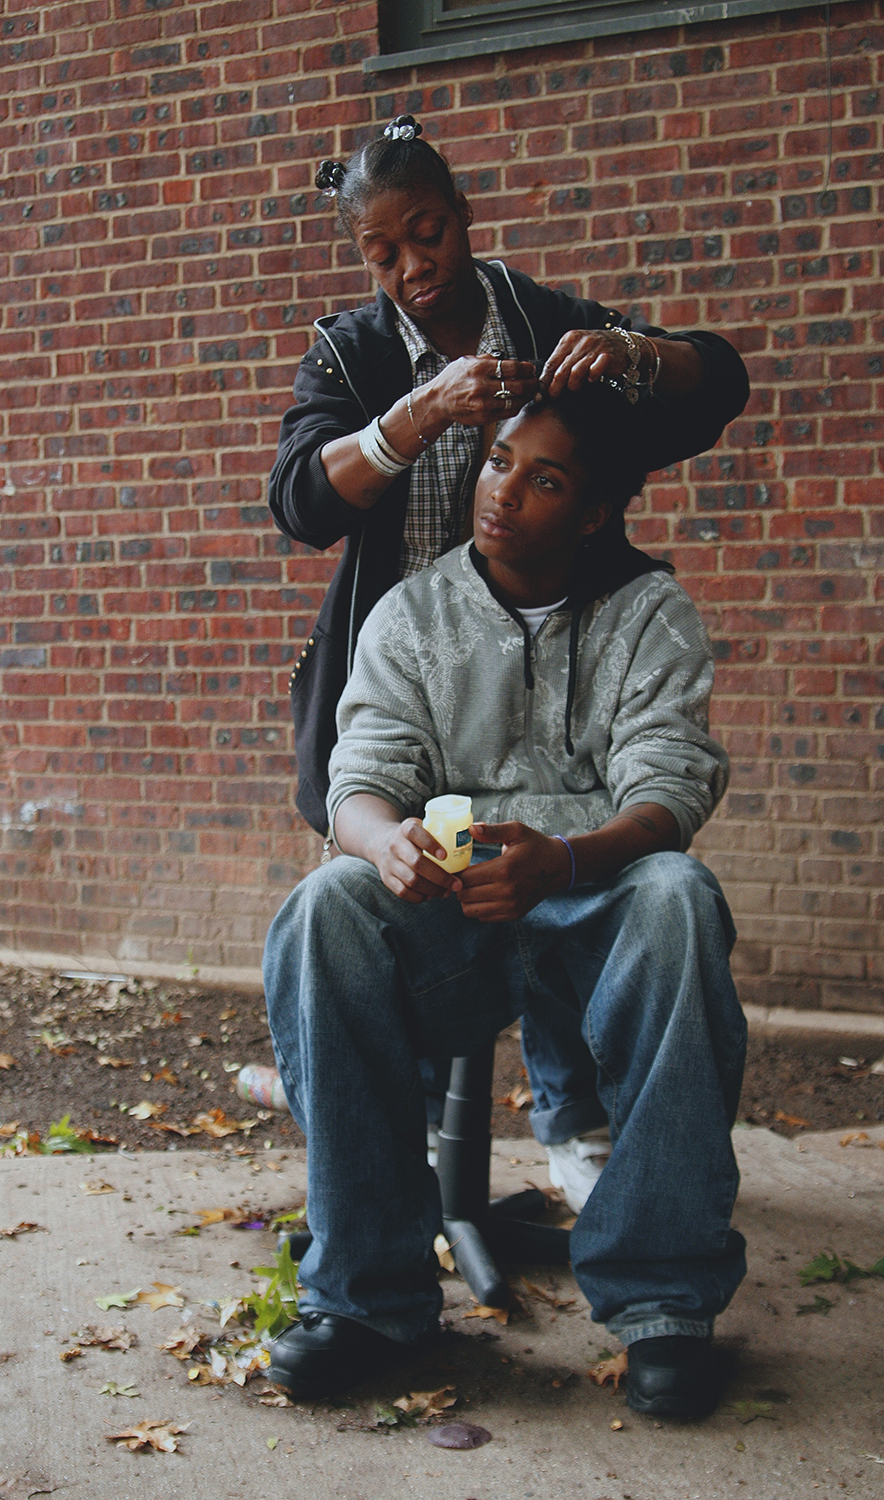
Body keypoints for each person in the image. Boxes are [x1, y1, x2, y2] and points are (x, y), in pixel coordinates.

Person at [268, 110, 750, 1200]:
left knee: (582, 875)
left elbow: (713, 385)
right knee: (352, 916)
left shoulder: (539, 321)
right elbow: (300, 502)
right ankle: (381, 1196)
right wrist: (418, 413)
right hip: (417, 679)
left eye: (426, 234)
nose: (409, 267)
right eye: (380, 252)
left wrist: (630, 353)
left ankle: (581, 1132)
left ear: (463, 217)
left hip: (559, 656)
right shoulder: (351, 352)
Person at [263, 389, 748, 1419]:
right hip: (449, 918)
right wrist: (382, 840)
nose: (504, 492)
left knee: (678, 896)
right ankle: (366, 1298)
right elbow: (359, 780)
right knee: (327, 908)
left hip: (595, 908)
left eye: (547, 479)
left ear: (592, 511)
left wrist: (566, 861)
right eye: (498, 461)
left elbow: (668, 788)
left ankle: (662, 1303)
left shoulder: (648, 612)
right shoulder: (416, 613)